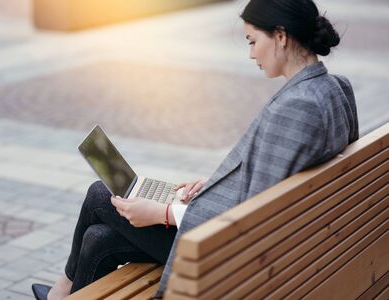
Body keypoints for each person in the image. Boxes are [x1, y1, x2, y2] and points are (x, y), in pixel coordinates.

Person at [31, 0, 359, 299]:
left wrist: (164, 213)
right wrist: (212, 184)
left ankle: (61, 293)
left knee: (101, 194)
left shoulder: (298, 108)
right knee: (98, 240)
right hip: (278, 242)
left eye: (252, 41)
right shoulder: (333, 88)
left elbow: (256, 218)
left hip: (234, 255)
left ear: (281, 36)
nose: (251, 54)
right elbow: (271, 183)